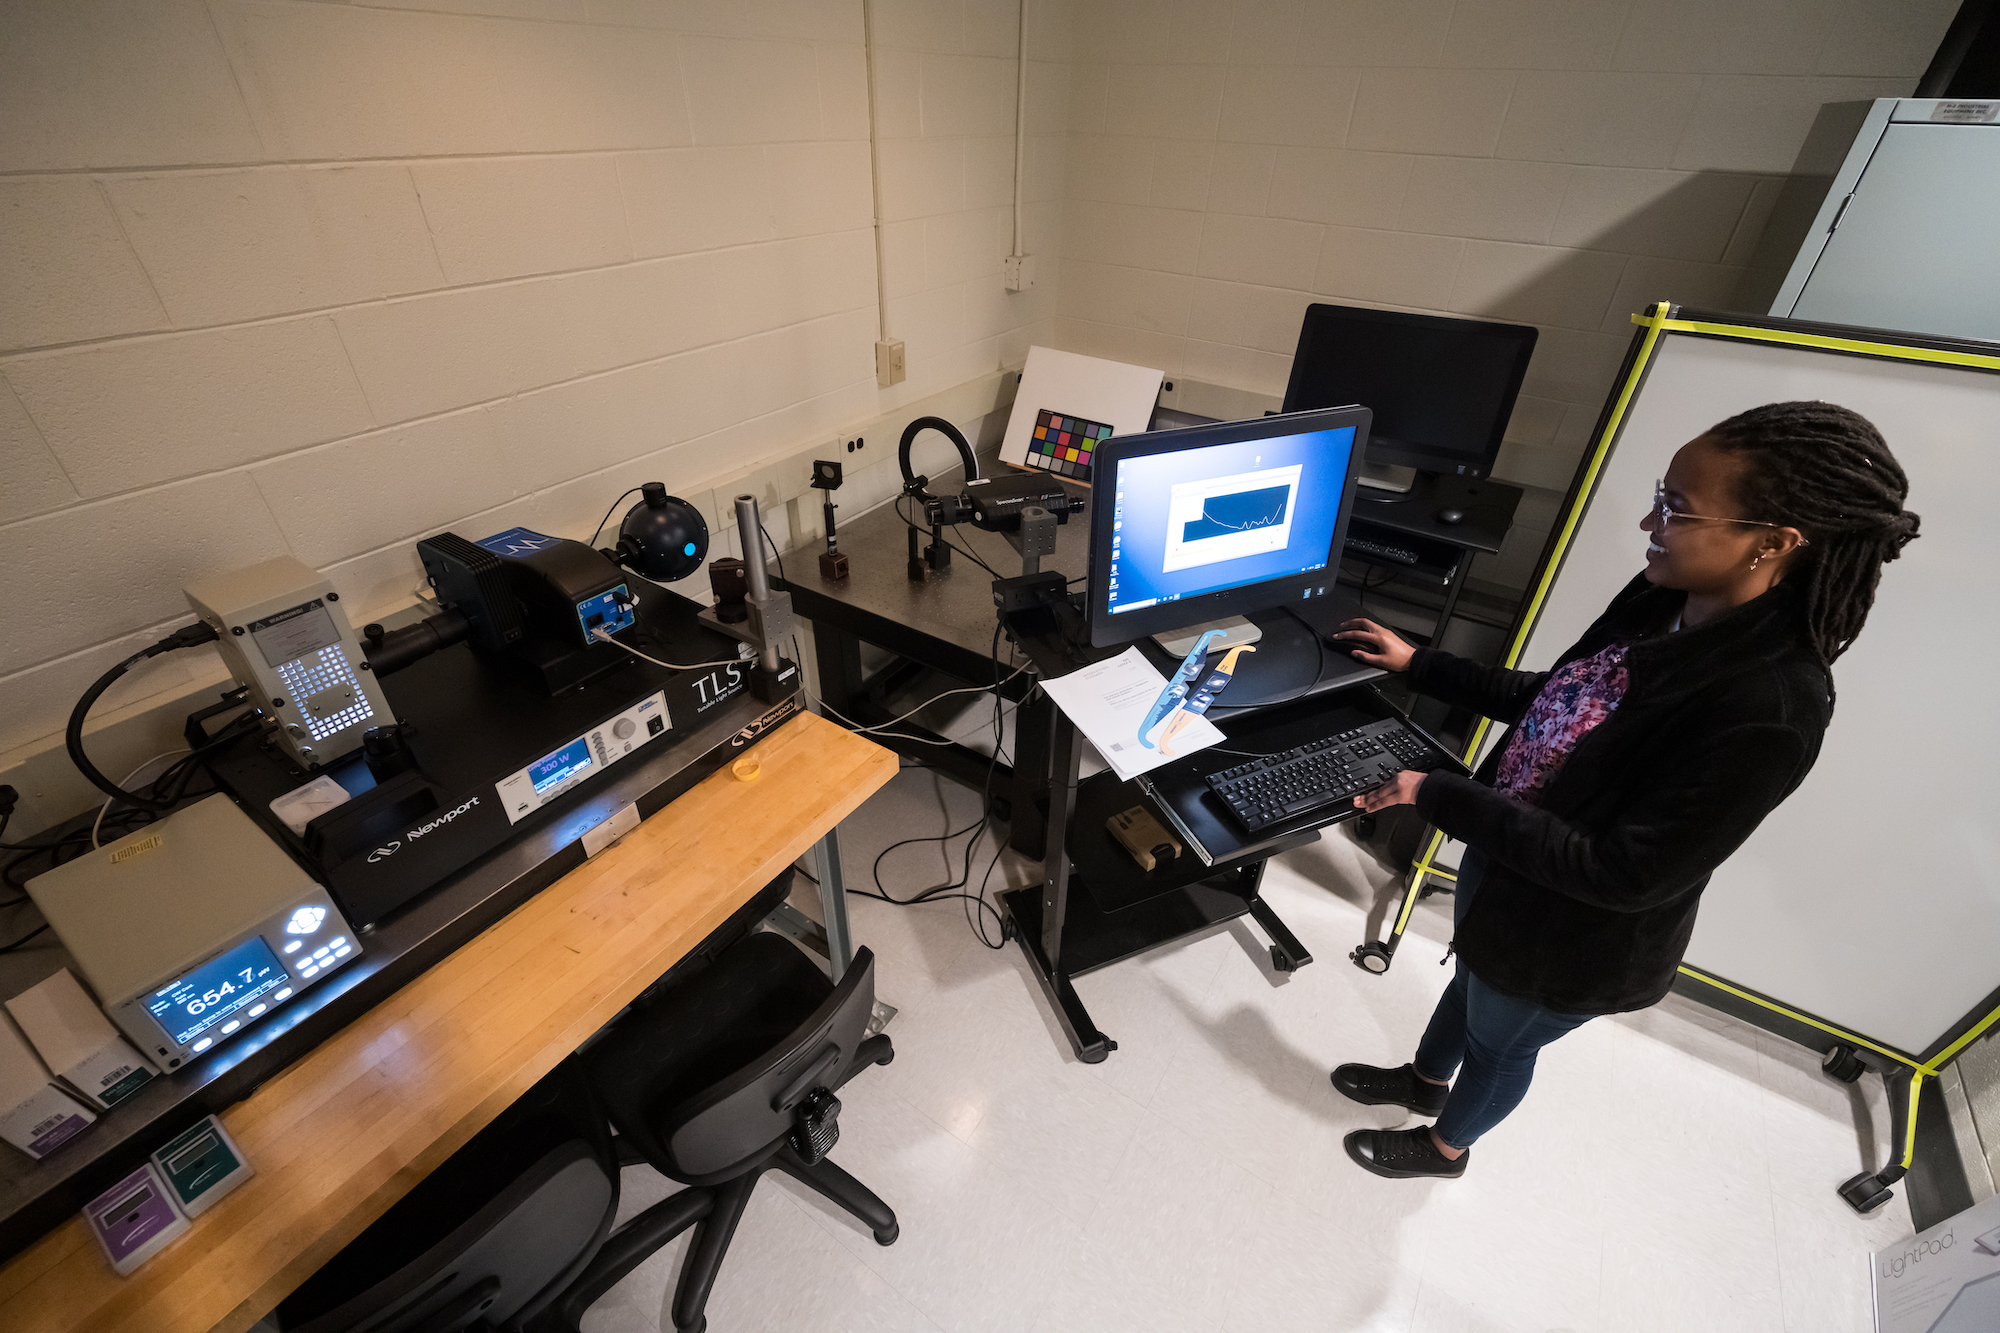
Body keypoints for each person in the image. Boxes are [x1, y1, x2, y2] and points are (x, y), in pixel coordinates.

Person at [1327, 401, 1921, 1179]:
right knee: (1470, 977)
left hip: (1573, 936)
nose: (1650, 520)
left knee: (1499, 1040)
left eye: (1676, 508)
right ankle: (1423, 1082)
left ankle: (1446, 1147)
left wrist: (1440, 795)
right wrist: (1422, 664)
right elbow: (1564, 699)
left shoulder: (1773, 707)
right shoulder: (1662, 599)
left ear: (1773, 543)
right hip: (1508, 861)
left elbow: (1624, 872)